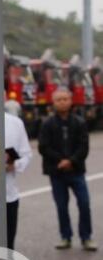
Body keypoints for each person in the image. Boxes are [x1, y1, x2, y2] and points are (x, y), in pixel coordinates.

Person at [38, 87, 97, 251]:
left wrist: (71, 161)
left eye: (65, 99)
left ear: (71, 101)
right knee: (61, 206)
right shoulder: (47, 124)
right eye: (59, 99)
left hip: (76, 171)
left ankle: (86, 237)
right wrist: (60, 161)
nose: (62, 102)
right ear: (53, 102)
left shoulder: (79, 122)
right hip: (56, 172)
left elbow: (84, 146)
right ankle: (65, 237)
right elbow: (43, 147)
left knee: (84, 203)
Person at [4, 107, 32, 260]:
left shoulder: (14, 122)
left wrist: (14, 165)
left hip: (8, 197)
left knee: (6, 250)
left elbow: (26, 154)